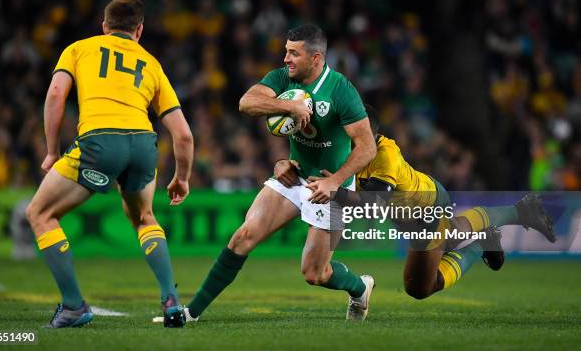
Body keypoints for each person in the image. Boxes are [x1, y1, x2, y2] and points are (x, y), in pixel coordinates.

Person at [184, 24, 378, 322]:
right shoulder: (282, 79)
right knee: (243, 236)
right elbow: (246, 102)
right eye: (285, 51)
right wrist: (289, 107)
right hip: (294, 175)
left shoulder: (341, 89)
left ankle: (359, 287)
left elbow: (367, 148)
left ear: (316, 58)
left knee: (315, 273)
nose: (285, 58)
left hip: (331, 186)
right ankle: (190, 313)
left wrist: (334, 181)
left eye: (293, 53)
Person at [25, 0, 194, 328]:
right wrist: (183, 177)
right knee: (145, 218)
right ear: (139, 30)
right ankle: (170, 299)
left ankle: (73, 306)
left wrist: (51, 151)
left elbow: (56, 94)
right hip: (144, 145)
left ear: (104, 26)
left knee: (40, 214)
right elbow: (184, 135)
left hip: (100, 142)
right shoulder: (152, 64)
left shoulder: (79, 49)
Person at [281, 103, 556, 300]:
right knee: (453, 234)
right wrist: (284, 163)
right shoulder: (344, 150)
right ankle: (519, 212)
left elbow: (373, 207)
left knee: (420, 287)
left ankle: (482, 244)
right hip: (413, 208)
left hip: (427, 210)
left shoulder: (383, 156)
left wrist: (336, 191)